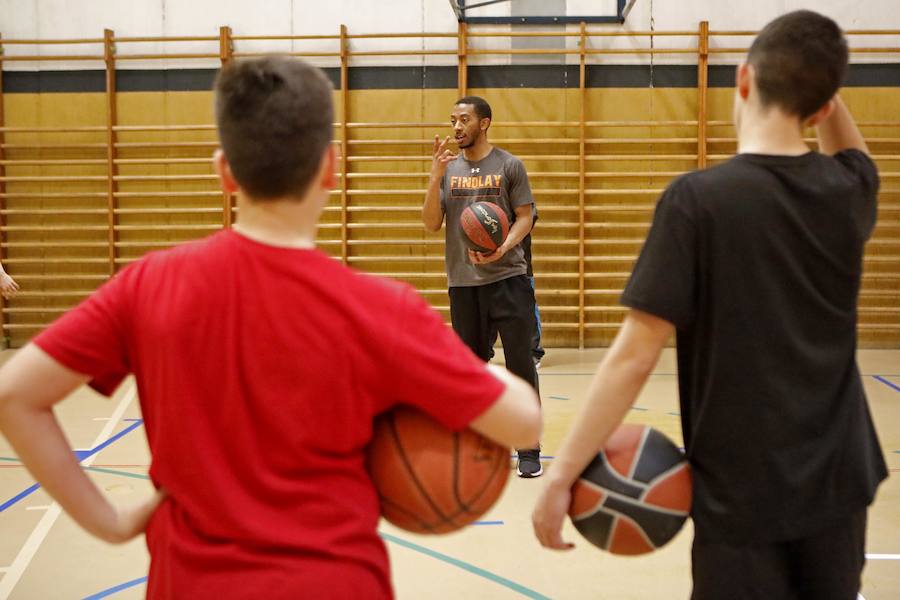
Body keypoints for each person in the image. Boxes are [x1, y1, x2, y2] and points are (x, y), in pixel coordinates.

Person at [0, 57, 542, 599]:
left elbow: (14, 395)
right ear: (329, 169)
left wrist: (110, 523)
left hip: (190, 584)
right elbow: (522, 422)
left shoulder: (147, 285)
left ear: (224, 172)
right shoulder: (381, 309)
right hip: (336, 583)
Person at [532, 10, 887, 600]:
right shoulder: (848, 193)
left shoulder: (698, 202)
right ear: (825, 106)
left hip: (741, 494)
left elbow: (632, 358)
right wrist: (821, 81)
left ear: (743, 80)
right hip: (839, 483)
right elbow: (854, 155)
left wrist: (564, 470)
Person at [423, 96, 544, 478]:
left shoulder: (509, 165)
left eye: (464, 120)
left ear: (484, 123)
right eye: (453, 119)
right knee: (471, 370)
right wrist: (434, 179)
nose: (456, 127)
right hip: (463, 283)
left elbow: (525, 217)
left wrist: (502, 248)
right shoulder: (449, 168)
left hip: (508, 278)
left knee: (521, 363)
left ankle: (528, 447)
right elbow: (430, 223)